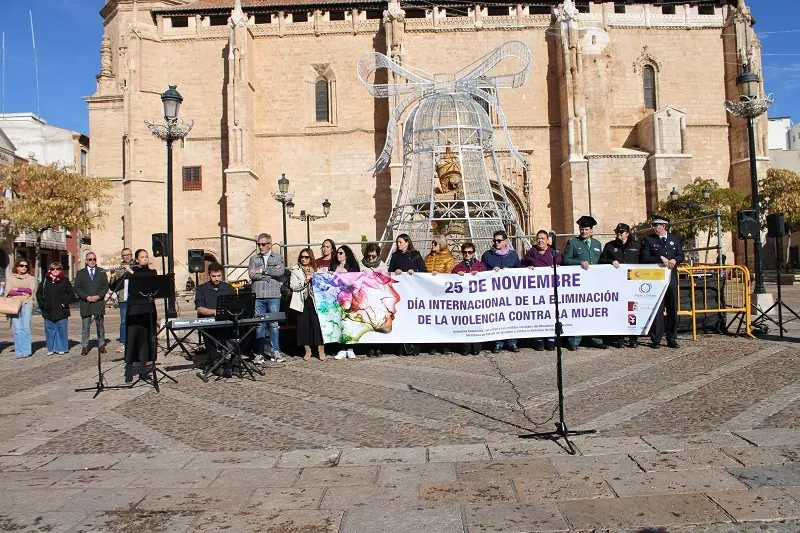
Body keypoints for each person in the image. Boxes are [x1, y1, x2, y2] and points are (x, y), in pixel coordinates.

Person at [562, 216, 607, 351]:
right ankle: (574, 340)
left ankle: (596, 339)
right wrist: (579, 263)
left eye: (586, 229)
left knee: (594, 311)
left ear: (591, 231)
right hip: (579, 284)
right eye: (582, 229)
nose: (583, 232)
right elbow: (566, 260)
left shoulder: (597, 244)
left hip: (594, 283)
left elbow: (601, 261)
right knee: (578, 311)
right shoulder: (573, 243)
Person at [640, 214, 684, 349]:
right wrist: (660, 259)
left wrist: (675, 260)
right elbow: (644, 258)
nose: (653, 228)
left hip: (671, 279)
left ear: (664, 226)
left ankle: (672, 338)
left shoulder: (674, 239)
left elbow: (681, 254)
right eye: (653, 225)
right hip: (656, 280)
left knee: (672, 309)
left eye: (656, 225)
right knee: (657, 310)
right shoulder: (648, 239)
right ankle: (656, 338)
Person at [600, 223, 641, 348]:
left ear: (627, 233)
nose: (618, 234)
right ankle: (620, 337)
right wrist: (611, 261)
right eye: (617, 232)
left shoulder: (637, 246)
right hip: (617, 284)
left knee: (633, 311)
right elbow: (601, 261)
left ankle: (633, 338)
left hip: (633, 284)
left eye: (621, 232)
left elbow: (644, 262)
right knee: (619, 311)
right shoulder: (610, 246)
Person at [248, 233, 286, 364]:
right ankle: (259, 353)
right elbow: (251, 275)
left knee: (274, 325)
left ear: (270, 244)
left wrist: (261, 271)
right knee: (260, 325)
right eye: (259, 244)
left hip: (273, 295)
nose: (260, 246)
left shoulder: (278, 257)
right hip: (258, 295)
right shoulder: (254, 258)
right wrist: (269, 273)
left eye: (263, 244)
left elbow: (280, 272)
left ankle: (275, 351)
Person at [481, 230, 521, 353]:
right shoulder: (488, 255)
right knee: (497, 317)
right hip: (495, 294)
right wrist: (491, 270)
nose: (496, 243)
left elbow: (519, 271)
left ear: (505, 241)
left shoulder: (513, 255)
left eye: (499, 240)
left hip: (510, 293)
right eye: (495, 241)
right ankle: (498, 342)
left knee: (511, 317)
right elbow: (482, 271)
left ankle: (512, 341)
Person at [522, 230, 561, 351]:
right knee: (537, 313)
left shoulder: (554, 252)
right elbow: (522, 264)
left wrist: (559, 267)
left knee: (550, 313)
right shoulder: (531, 252)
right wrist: (527, 268)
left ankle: (550, 338)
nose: (540, 240)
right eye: (538, 238)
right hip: (536, 290)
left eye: (543, 238)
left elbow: (562, 263)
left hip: (550, 289)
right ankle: (538, 338)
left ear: (548, 240)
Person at [122, 249, 157, 382]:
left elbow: (145, 281)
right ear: (136, 260)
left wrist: (132, 272)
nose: (145, 259)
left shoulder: (151, 273)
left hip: (148, 310)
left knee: (146, 340)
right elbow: (114, 286)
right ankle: (129, 370)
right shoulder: (130, 273)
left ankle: (144, 370)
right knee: (132, 339)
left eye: (146, 257)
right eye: (142, 257)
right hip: (134, 310)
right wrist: (118, 274)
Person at [388, 234, 426, 356]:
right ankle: (400, 347)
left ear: (407, 242)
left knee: (413, 319)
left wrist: (415, 273)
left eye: (400, 242)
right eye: (397, 242)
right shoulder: (395, 256)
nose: (398, 244)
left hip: (413, 293)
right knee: (401, 318)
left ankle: (415, 347)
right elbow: (390, 272)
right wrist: (395, 272)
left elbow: (424, 272)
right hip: (400, 293)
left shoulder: (416, 255)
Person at [194, 262, 235, 374]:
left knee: (238, 331)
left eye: (219, 276)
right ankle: (216, 362)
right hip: (209, 322)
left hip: (226, 321)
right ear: (209, 275)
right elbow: (199, 308)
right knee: (208, 334)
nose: (216, 279)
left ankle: (232, 361)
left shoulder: (228, 288)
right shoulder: (202, 289)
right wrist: (215, 312)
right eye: (214, 276)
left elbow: (234, 305)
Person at [289, 248, 326, 361]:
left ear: (311, 258)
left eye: (306, 257)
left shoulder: (316, 269)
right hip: (302, 300)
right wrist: (305, 280)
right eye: (302, 257)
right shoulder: (295, 270)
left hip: (315, 300)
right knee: (304, 326)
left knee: (317, 325)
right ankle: (307, 350)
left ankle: (320, 350)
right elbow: (293, 286)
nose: (304, 259)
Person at [73, 252, 109, 356]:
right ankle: (85, 346)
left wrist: (98, 296)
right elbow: (77, 288)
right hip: (86, 303)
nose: (92, 261)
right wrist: (86, 297)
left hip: (98, 302)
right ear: (86, 261)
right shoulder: (80, 273)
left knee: (100, 325)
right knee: (85, 326)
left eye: (94, 259)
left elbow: (105, 286)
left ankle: (101, 344)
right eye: (90, 259)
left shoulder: (101, 271)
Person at [424, 235, 455, 355]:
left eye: (434, 243)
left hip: (443, 295)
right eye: (432, 243)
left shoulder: (448, 259)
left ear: (441, 244)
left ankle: (445, 345)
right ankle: (432, 344)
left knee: (444, 320)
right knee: (431, 320)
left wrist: (440, 276)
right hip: (429, 293)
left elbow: (450, 275)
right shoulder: (427, 258)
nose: (432, 245)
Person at [453, 242, 486, 356]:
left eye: (469, 252)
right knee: (465, 322)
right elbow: (451, 280)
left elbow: (487, 278)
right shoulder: (458, 267)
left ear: (473, 253)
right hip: (464, 301)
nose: (467, 254)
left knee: (476, 321)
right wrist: (457, 274)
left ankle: (476, 346)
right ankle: (466, 347)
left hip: (477, 300)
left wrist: (480, 274)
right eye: (465, 252)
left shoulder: (480, 265)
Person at [36, 262, 73, 355]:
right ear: (50, 270)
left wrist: (64, 304)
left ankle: (62, 348)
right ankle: (51, 348)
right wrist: (43, 305)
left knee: (61, 329)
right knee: (49, 330)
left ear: (61, 270)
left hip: (61, 310)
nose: (55, 271)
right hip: (48, 310)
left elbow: (71, 294)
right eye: (53, 269)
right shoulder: (45, 280)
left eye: (58, 269)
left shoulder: (65, 280)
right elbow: (39, 294)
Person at [360, 243, 387, 357]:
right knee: (367, 322)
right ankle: (369, 346)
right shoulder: (361, 264)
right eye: (369, 256)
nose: (370, 258)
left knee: (378, 322)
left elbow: (386, 280)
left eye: (373, 256)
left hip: (378, 297)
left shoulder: (382, 265)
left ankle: (378, 346)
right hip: (366, 296)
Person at [4, 260, 36, 358]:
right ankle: (18, 351)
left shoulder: (31, 278)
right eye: (21, 266)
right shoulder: (11, 278)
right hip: (13, 305)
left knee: (25, 328)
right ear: (17, 267)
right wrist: (22, 292)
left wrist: (16, 290)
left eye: (26, 266)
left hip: (26, 303)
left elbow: (31, 291)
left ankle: (26, 350)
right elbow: (9, 291)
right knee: (17, 329)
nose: (24, 267)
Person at [109, 248, 134, 353]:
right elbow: (113, 287)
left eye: (128, 255)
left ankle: (134, 341)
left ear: (131, 255)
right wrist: (112, 276)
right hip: (123, 298)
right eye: (124, 255)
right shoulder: (120, 268)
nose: (126, 257)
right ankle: (122, 343)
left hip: (134, 298)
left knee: (134, 321)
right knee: (123, 321)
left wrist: (130, 270)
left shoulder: (137, 266)